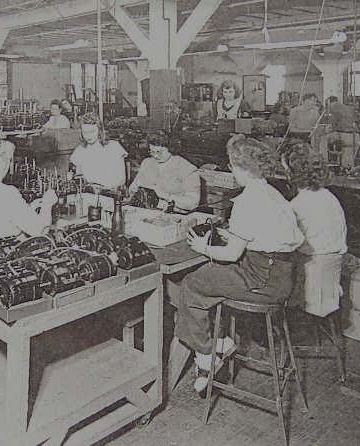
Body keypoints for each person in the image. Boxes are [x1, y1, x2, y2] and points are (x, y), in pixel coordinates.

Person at [176, 135, 304, 393]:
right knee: (208, 278)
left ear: (243, 169)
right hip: (283, 274)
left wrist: (202, 248)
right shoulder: (272, 192)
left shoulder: (248, 201)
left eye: (233, 166)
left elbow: (232, 255)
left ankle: (207, 356)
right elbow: (263, 236)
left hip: (262, 280)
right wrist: (233, 235)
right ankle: (220, 342)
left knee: (191, 283)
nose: (232, 172)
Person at [280, 141, 347, 316]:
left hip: (311, 276)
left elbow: (283, 241)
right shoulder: (329, 196)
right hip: (330, 272)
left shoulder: (299, 204)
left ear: (291, 174)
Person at [128, 130, 201, 212]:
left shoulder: (186, 168)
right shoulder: (147, 163)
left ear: (170, 148)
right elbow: (132, 189)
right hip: (146, 210)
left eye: (159, 152)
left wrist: (165, 196)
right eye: (152, 152)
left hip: (174, 214)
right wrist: (133, 189)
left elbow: (193, 203)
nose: (155, 156)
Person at [70, 112, 127, 190]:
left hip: (109, 192)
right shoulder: (80, 150)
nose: (88, 136)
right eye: (85, 132)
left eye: (92, 132)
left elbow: (121, 179)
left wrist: (102, 188)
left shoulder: (113, 147)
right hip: (88, 193)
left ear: (100, 130)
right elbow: (79, 179)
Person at [321, 96, 360, 168]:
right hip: (354, 137)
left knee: (322, 139)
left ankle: (324, 163)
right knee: (349, 155)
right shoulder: (350, 108)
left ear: (328, 102)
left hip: (340, 134)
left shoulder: (330, 107)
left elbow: (326, 125)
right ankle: (348, 166)